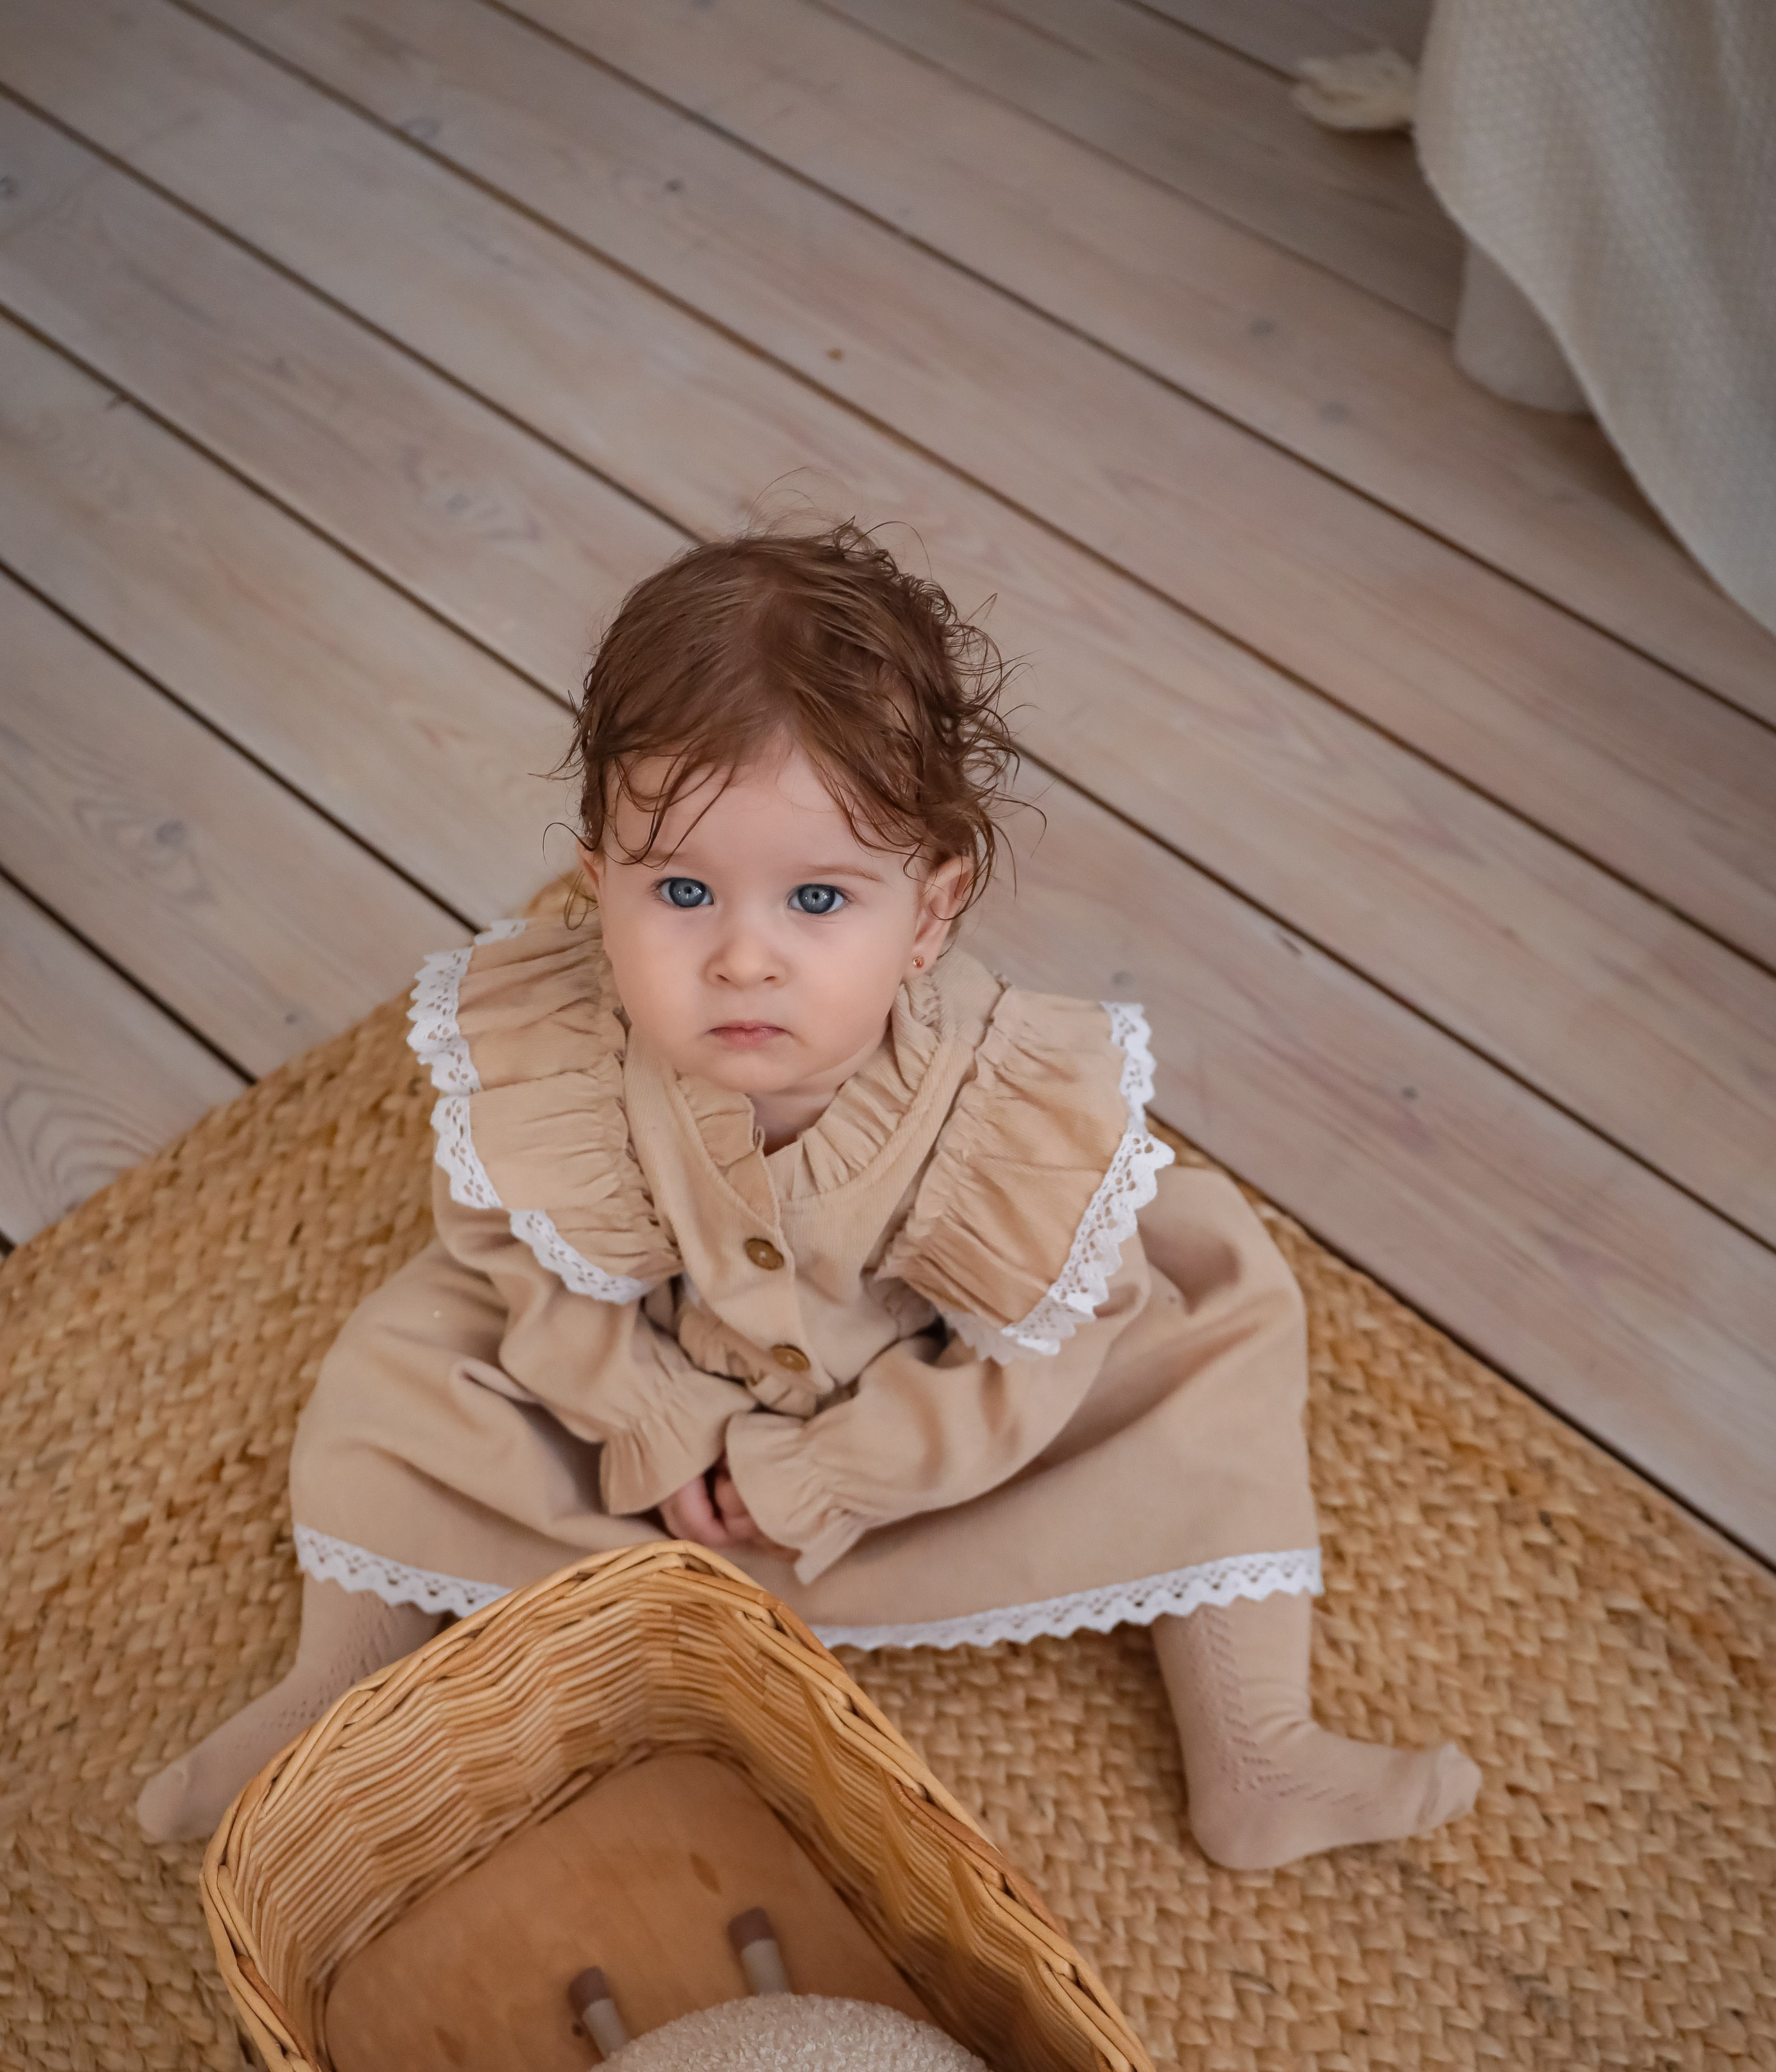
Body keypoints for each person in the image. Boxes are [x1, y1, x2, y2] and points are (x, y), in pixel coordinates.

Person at [137, 524, 1478, 1867]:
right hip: (649, 1414)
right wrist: (654, 1416)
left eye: (820, 898)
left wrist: (834, 1469)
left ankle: (1259, 1752)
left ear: (932, 910)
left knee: (1214, 1321)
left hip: (932, 1441)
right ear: (598, 888)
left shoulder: (992, 1099)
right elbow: (519, 1257)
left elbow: (1034, 1357)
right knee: (399, 1366)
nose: (742, 959)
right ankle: (325, 1695)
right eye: (680, 891)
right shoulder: (568, 1051)